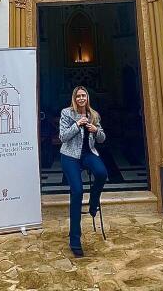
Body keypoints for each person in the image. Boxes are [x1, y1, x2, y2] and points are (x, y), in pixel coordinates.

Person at [59, 86, 108, 257]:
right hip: (70, 156)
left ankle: (93, 202)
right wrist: (77, 125)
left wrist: (96, 130)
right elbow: (62, 137)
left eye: (83, 95)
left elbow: (102, 138)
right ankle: (75, 240)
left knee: (102, 173)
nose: (81, 98)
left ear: (87, 97)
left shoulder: (94, 115)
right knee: (77, 191)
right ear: (74, 98)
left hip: (88, 153)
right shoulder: (67, 113)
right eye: (78, 96)